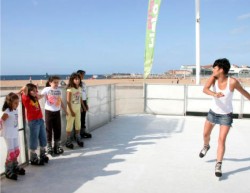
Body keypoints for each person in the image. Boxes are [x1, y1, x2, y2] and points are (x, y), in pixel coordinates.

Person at [199, 58, 250, 177]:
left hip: (226, 115)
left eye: (215, 68)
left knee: (221, 140)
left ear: (221, 70)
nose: (213, 70)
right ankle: (206, 146)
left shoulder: (232, 82)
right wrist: (215, 94)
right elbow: (205, 89)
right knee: (205, 135)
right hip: (212, 113)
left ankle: (218, 164)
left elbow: (244, 92)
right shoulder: (213, 78)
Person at [18, 84, 49, 165]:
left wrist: (36, 90)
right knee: (34, 139)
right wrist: (23, 89)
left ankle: (42, 153)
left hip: (40, 120)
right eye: (33, 91)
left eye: (36, 91)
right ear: (28, 91)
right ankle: (33, 157)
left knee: (43, 137)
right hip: (33, 121)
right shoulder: (26, 98)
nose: (35, 92)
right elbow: (24, 87)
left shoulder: (35, 97)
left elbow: (40, 96)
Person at [0, 93, 25, 180]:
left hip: (14, 133)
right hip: (9, 134)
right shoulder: (7, 112)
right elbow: (1, 121)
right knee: (11, 153)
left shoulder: (15, 110)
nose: (17, 105)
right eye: (15, 103)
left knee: (16, 151)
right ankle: (8, 170)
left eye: (18, 103)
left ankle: (15, 166)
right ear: (9, 103)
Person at [41, 76, 67, 155]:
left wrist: (65, 110)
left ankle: (57, 145)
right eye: (55, 82)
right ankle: (49, 146)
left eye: (57, 82)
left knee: (57, 129)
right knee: (48, 129)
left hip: (57, 112)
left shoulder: (58, 90)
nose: (56, 84)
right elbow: (40, 96)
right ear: (50, 83)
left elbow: (59, 100)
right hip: (49, 112)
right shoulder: (47, 89)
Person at [65, 73, 87, 149]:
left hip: (78, 109)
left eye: (78, 79)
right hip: (71, 109)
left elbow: (80, 99)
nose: (77, 80)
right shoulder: (70, 89)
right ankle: (68, 141)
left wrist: (83, 107)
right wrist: (71, 111)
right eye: (75, 79)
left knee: (78, 124)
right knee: (69, 125)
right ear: (72, 80)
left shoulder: (80, 88)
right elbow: (67, 101)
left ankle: (78, 138)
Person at [77, 70, 92, 138]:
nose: (83, 76)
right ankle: (77, 134)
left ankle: (83, 132)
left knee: (83, 117)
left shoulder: (83, 83)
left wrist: (87, 104)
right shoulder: (76, 84)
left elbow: (85, 94)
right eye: (82, 75)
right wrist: (81, 106)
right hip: (79, 102)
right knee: (78, 118)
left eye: (83, 75)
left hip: (84, 101)